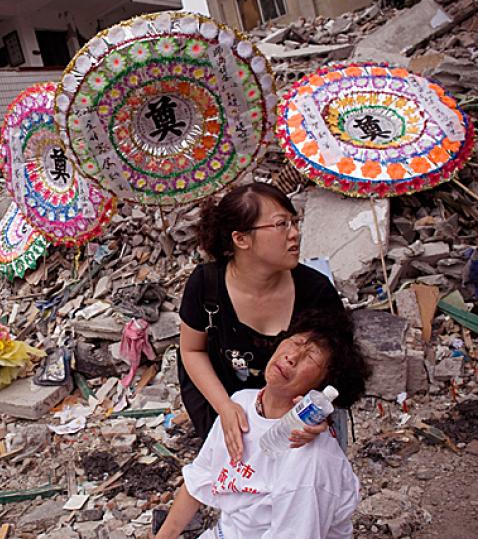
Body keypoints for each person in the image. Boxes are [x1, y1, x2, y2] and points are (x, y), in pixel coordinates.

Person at [155, 309, 370, 539]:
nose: (292, 356)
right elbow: (199, 480)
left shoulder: (311, 461)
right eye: (296, 342)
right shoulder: (241, 404)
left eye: (311, 357)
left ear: (320, 389)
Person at [178, 182, 344, 461]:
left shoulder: (316, 291)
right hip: (227, 403)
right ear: (241, 239)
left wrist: (318, 417)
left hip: (294, 419)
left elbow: (339, 367)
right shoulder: (206, 285)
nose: (295, 234)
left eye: (295, 222)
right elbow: (191, 350)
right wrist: (225, 408)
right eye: (281, 225)